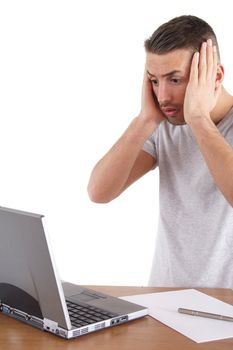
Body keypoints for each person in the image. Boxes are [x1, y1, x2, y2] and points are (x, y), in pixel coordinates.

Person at [87, 15, 233, 288]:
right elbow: (99, 191)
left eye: (175, 80)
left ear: (215, 76)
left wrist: (198, 119)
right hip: (166, 299)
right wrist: (145, 120)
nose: (163, 95)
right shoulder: (166, 123)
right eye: (154, 81)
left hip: (227, 306)